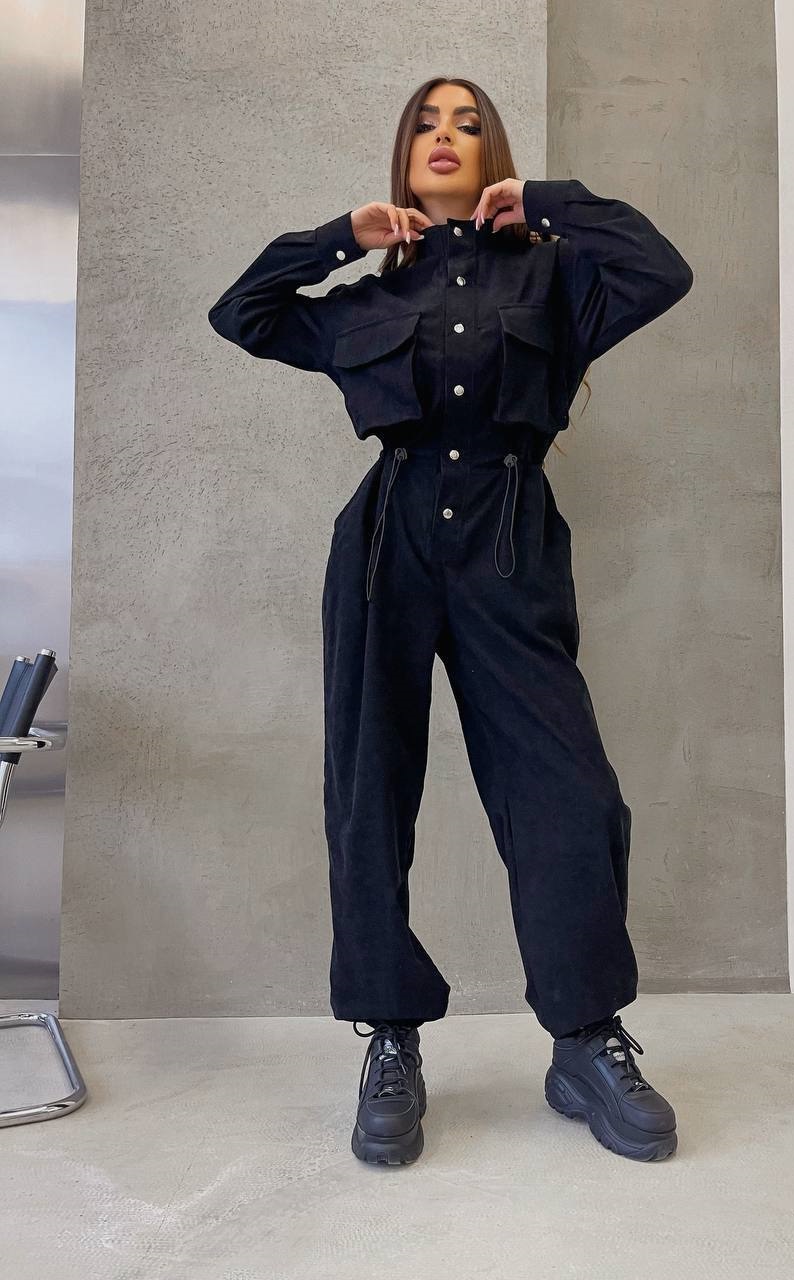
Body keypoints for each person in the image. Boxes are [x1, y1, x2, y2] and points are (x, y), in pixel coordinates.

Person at [208, 76, 693, 1167]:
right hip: (388, 544)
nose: (445, 136)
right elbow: (242, 312)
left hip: (509, 538)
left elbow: (662, 269)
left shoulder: (557, 276)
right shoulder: (367, 298)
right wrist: (342, 235)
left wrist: (548, 201)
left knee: (569, 792)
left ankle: (584, 1038)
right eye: (427, 123)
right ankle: (390, 1037)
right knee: (369, 786)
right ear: (404, 154)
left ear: (493, 154)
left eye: (468, 124)